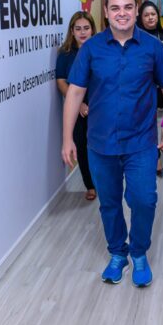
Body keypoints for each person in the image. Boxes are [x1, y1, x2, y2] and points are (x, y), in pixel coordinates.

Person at [62, 0, 163, 288]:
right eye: (115, 8)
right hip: (100, 144)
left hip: (141, 142)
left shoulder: (153, 47)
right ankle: (118, 252)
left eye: (128, 7)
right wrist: (67, 138)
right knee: (110, 203)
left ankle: (138, 252)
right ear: (106, 12)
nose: (122, 13)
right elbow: (74, 92)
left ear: (136, 9)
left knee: (144, 200)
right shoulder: (91, 49)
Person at [56, 11, 98, 200]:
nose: (82, 32)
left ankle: (103, 182)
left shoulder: (100, 51)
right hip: (77, 109)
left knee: (99, 147)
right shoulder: (65, 54)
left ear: (92, 30)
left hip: (99, 106)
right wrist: (79, 104)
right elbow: (61, 81)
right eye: (78, 28)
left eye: (86, 28)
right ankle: (90, 185)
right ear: (72, 31)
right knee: (82, 147)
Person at [138, 1, 163, 178]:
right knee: (147, 124)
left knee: (159, 124)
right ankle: (154, 158)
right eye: (146, 15)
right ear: (140, 18)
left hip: (162, 88)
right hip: (143, 89)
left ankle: (155, 153)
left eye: (153, 14)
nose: (150, 18)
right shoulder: (136, 37)